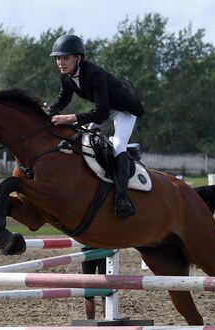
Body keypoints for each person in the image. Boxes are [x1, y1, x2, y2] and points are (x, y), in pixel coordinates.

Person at [46, 34, 144, 218]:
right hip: (105, 109)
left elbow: (101, 113)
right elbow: (62, 100)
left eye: (65, 57)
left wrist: (69, 118)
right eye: (58, 58)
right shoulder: (67, 77)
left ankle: (122, 198)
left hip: (123, 110)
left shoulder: (94, 74)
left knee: (118, 144)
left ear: (78, 58)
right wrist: (47, 111)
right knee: (86, 138)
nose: (60, 62)